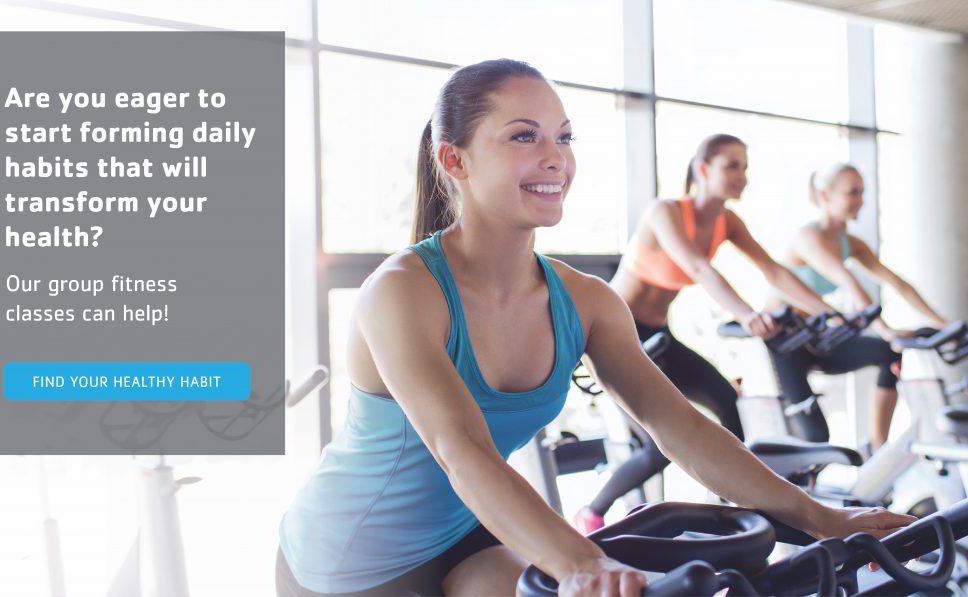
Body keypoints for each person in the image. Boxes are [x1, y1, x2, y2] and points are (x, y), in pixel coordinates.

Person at [277, 60, 913, 597]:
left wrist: (819, 515)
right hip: (349, 557)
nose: (556, 158)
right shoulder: (403, 291)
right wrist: (582, 561)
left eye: (565, 137)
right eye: (524, 137)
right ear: (455, 160)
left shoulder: (585, 301)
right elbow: (459, 449)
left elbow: (682, 427)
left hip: (471, 530)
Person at [574, 133, 844, 533]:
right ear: (703, 169)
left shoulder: (727, 222)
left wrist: (829, 312)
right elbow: (699, 268)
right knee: (661, 444)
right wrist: (746, 314)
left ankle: (726, 514)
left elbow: (772, 270)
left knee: (727, 405)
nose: (742, 176)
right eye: (731, 166)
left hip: (658, 335)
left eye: (745, 167)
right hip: (614, 335)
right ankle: (591, 514)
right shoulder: (663, 212)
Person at [769, 162, 948, 449]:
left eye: (862, 192)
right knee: (816, 437)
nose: (860, 201)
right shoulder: (807, 238)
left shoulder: (850, 243)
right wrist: (885, 329)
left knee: (887, 353)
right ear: (825, 196)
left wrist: (942, 323)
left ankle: (877, 447)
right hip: (784, 343)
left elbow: (897, 283)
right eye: (852, 193)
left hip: (817, 339)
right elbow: (846, 280)